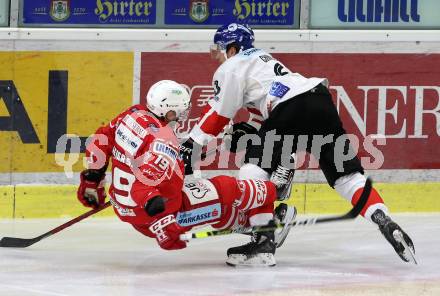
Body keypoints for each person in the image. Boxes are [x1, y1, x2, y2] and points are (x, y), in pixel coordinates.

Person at [179, 23, 416, 263]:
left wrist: (192, 143)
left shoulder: (232, 65)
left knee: (253, 169)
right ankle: (383, 218)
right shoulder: (263, 59)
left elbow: (220, 112)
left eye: (219, 49)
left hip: (291, 108)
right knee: (347, 177)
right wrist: (249, 130)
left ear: (232, 48)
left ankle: (263, 241)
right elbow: (264, 112)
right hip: (320, 102)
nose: (217, 56)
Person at [76, 80, 295, 267]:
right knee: (224, 188)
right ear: (168, 111)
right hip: (166, 212)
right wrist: (161, 219)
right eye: (179, 110)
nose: (181, 114)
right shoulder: (163, 140)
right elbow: (144, 186)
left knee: (214, 208)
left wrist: (92, 178)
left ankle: (255, 225)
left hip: (130, 214)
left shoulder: (132, 115)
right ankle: (275, 190)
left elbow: (101, 140)